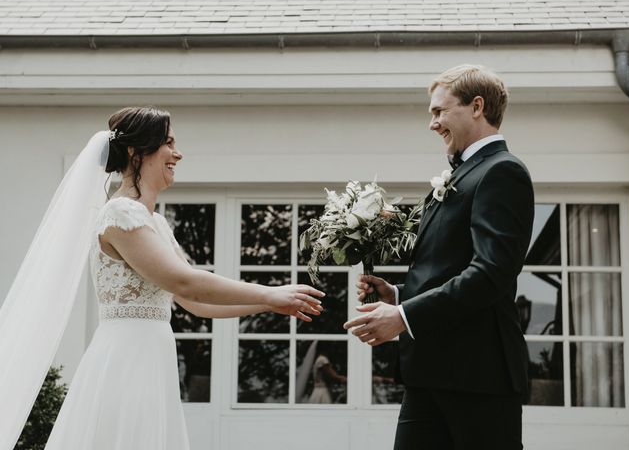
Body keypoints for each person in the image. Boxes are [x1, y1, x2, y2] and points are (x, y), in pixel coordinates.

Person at [2, 106, 324, 450]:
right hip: (126, 359)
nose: (178, 153)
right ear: (135, 152)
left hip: (153, 358)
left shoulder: (155, 223)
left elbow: (195, 304)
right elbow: (183, 281)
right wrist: (270, 293)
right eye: (168, 143)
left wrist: (271, 305)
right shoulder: (119, 213)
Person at [344, 65, 534, 450]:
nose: (432, 124)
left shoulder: (502, 172)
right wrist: (397, 295)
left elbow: (490, 274)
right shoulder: (462, 174)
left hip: (477, 376)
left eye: (439, 111)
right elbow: (446, 267)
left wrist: (404, 316)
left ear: (476, 106)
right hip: (430, 372)